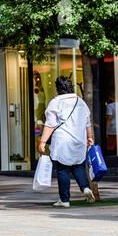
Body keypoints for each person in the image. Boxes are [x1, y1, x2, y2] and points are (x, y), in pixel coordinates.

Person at [38, 76, 95, 208]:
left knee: (62, 169)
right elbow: (88, 123)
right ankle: (85, 188)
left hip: (62, 142)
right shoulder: (81, 102)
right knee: (78, 166)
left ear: (58, 88)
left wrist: (42, 141)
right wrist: (89, 137)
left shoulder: (56, 102)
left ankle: (64, 200)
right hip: (79, 141)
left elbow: (50, 124)